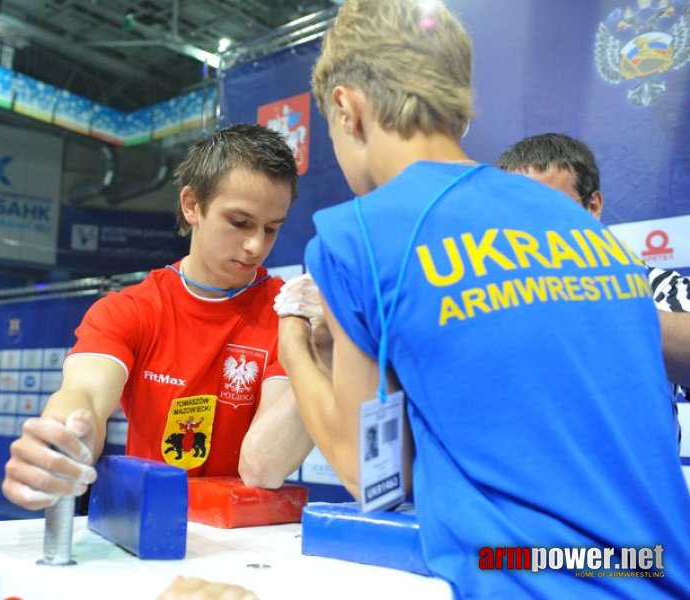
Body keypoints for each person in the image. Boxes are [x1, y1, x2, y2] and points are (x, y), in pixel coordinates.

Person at [274, 1, 689, 598]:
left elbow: (375, 477)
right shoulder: (573, 223)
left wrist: (292, 338)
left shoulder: (357, 234)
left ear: (347, 107)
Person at [2, 124, 314, 511]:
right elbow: (83, 395)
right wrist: (60, 444)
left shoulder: (287, 317)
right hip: (145, 524)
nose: (255, 246)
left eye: (271, 229)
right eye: (239, 222)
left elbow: (265, 466)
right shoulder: (130, 310)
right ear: (191, 205)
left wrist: (323, 353)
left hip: (247, 541)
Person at [497, 132, 690, 387]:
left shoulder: (658, 286)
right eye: (518, 212)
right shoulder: (491, 294)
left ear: (593, 206)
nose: (533, 227)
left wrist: (593, 297)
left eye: (552, 209)